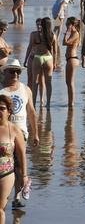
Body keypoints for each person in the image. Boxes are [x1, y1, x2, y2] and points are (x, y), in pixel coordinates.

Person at [0, 58, 38, 210]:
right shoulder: (1, 91)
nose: (15, 74)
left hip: (21, 132)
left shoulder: (25, 89)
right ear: (5, 73)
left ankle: (16, 196)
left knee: (19, 166)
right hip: (4, 133)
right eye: (12, 71)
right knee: (8, 165)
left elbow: (32, 112)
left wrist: (35, 133)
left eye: (17, 72)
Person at [0, 95, 27, 221]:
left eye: (2, 108)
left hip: (6, 173)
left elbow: (22, 156)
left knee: (0, 209)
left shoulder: (15, 130)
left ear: (9, 111)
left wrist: (24, 176)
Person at [24, 16, 57, 107]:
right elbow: (55, 51)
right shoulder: (53, 35)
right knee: (48, 83)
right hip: (48, 58)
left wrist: (26, 59)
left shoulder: (34, 34)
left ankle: (33, 104)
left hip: (38, 57)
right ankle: (48, 104)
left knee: (35, 82)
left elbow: (30, 46)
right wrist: (55, 63)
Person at [62, 16, 80, 107]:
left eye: (68, 24)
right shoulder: (73, 33)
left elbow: (65, 42)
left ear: (73, 25)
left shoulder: (75, 33)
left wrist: (67, 32)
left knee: (70, 82)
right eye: (66, 24)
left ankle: (71, 103)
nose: (66, 25)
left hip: (72, 59)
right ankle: (70, 102)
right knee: (68, 82)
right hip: (70, 59)